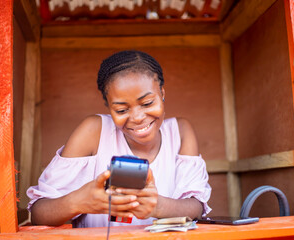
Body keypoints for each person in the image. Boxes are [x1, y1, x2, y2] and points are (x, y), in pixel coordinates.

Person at [27, 50, 212, 228]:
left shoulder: (180, 132)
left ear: (162, 94)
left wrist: (157, 206)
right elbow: (38, 214)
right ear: (109, 107)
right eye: (122, 110)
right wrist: (79, 202)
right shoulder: (94, 132)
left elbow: (196, 208)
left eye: (147, 103)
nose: (138, 117)